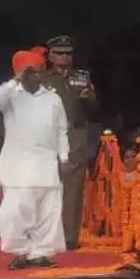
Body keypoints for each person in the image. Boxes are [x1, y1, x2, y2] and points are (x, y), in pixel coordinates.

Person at [0, 49, 69, 268]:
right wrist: (15, 80)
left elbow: (61, 130)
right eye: (31, 72)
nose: (37, 76)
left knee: (48, 212)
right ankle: (20, 252)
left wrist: (64, 157)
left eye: (40, 71)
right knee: (14, 212)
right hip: (17, 166)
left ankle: (41, 254)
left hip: (46, 164)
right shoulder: (11, 96)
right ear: (21, 73)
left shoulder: (53, 98)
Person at [42, 35, 97, 249]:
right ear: (50, 56)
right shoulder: (43, 78)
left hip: (75, 132)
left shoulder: (82, 77)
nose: (65, 57)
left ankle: (69, 238)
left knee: (73, 186)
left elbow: (94, 109)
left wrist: (88, 99)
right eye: (60, 53)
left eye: (69, 53)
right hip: (49, 134)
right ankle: (45, 233)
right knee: (46, 182)